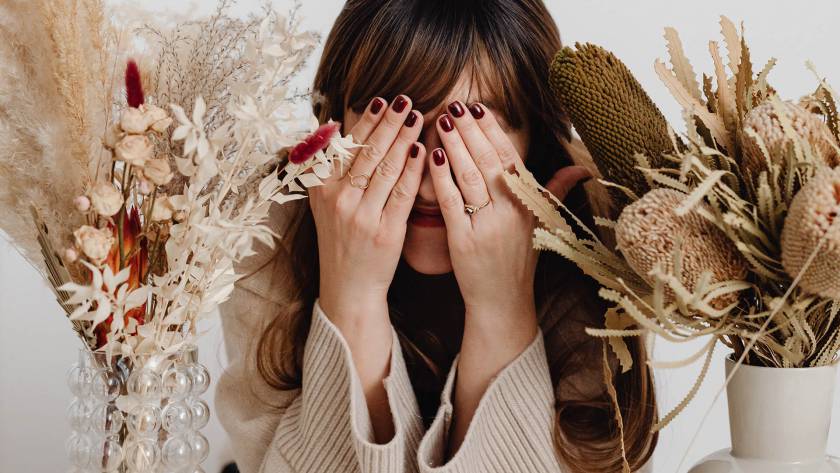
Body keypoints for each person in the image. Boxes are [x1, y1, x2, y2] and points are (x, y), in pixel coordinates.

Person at [215, 1, 658, 472]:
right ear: (336, 121)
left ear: (537, 142)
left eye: (469, 130)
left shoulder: (605, 240)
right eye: (395, 125)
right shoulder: (267, 225)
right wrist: (352, 297)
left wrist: (502, 306)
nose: (427, 184)